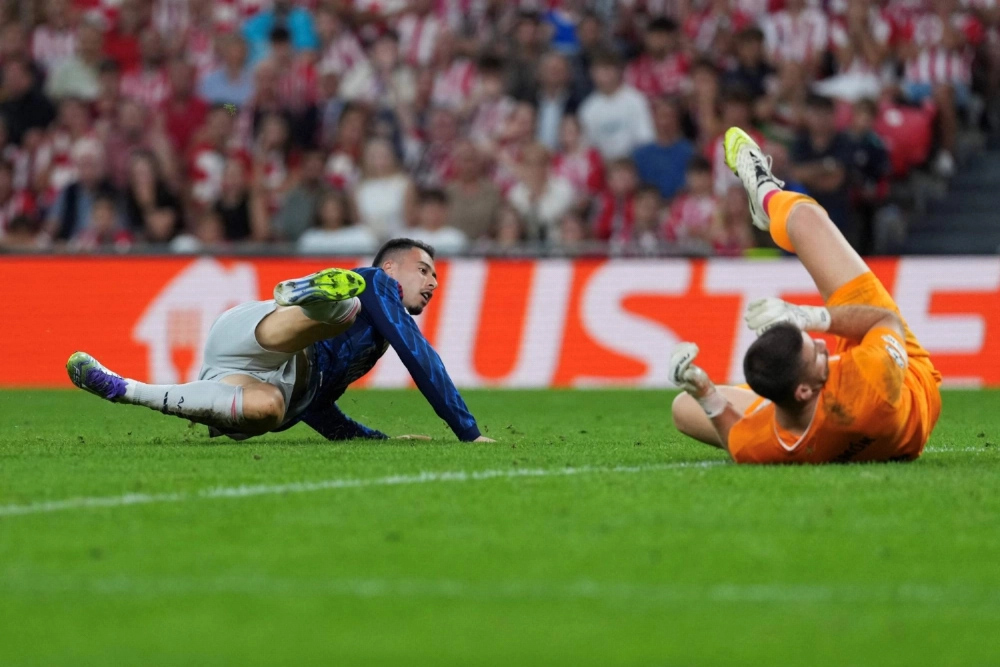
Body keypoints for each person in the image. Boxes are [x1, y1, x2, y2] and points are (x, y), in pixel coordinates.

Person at [669, 127, 942, 464]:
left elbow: (736, 439)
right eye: (816, 353)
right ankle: (767, 193)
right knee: (804, 219)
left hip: (820, 415)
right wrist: (810, 317)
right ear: (804, 390)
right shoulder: (872, 382)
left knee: (683, 407)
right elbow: (883, 320)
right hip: (906, 383)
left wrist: (704, 391)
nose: (826, 345)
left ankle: (763, 385)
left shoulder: (770, 444)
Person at [67, 239, 496, 444]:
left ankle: (123, 388)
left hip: (255, 378)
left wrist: (376, 441)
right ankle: (308, 293)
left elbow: (318, 408)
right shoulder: (377, 283)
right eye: (424, 270)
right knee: (344, 309)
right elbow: (419, 355)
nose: (434, 282)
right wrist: (468, 432)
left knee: (268, 411)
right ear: (390, 265)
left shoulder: (369, 349)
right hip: (262, 335)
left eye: (436, 276)